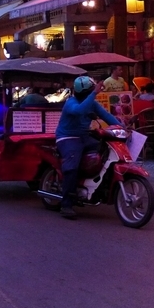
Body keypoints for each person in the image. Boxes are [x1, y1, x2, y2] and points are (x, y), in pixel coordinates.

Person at [55, 76, 121, 220]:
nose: (93, 92)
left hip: (84, 136)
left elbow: (106, 116)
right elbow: (79, 110)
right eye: (90, 91)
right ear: (85, 92)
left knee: (106, 151)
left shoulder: (92, 104)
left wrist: (123, 127)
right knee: (71, 167)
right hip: (67, 137)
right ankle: (66, 204)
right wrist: (94, 93)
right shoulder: (71, 103)